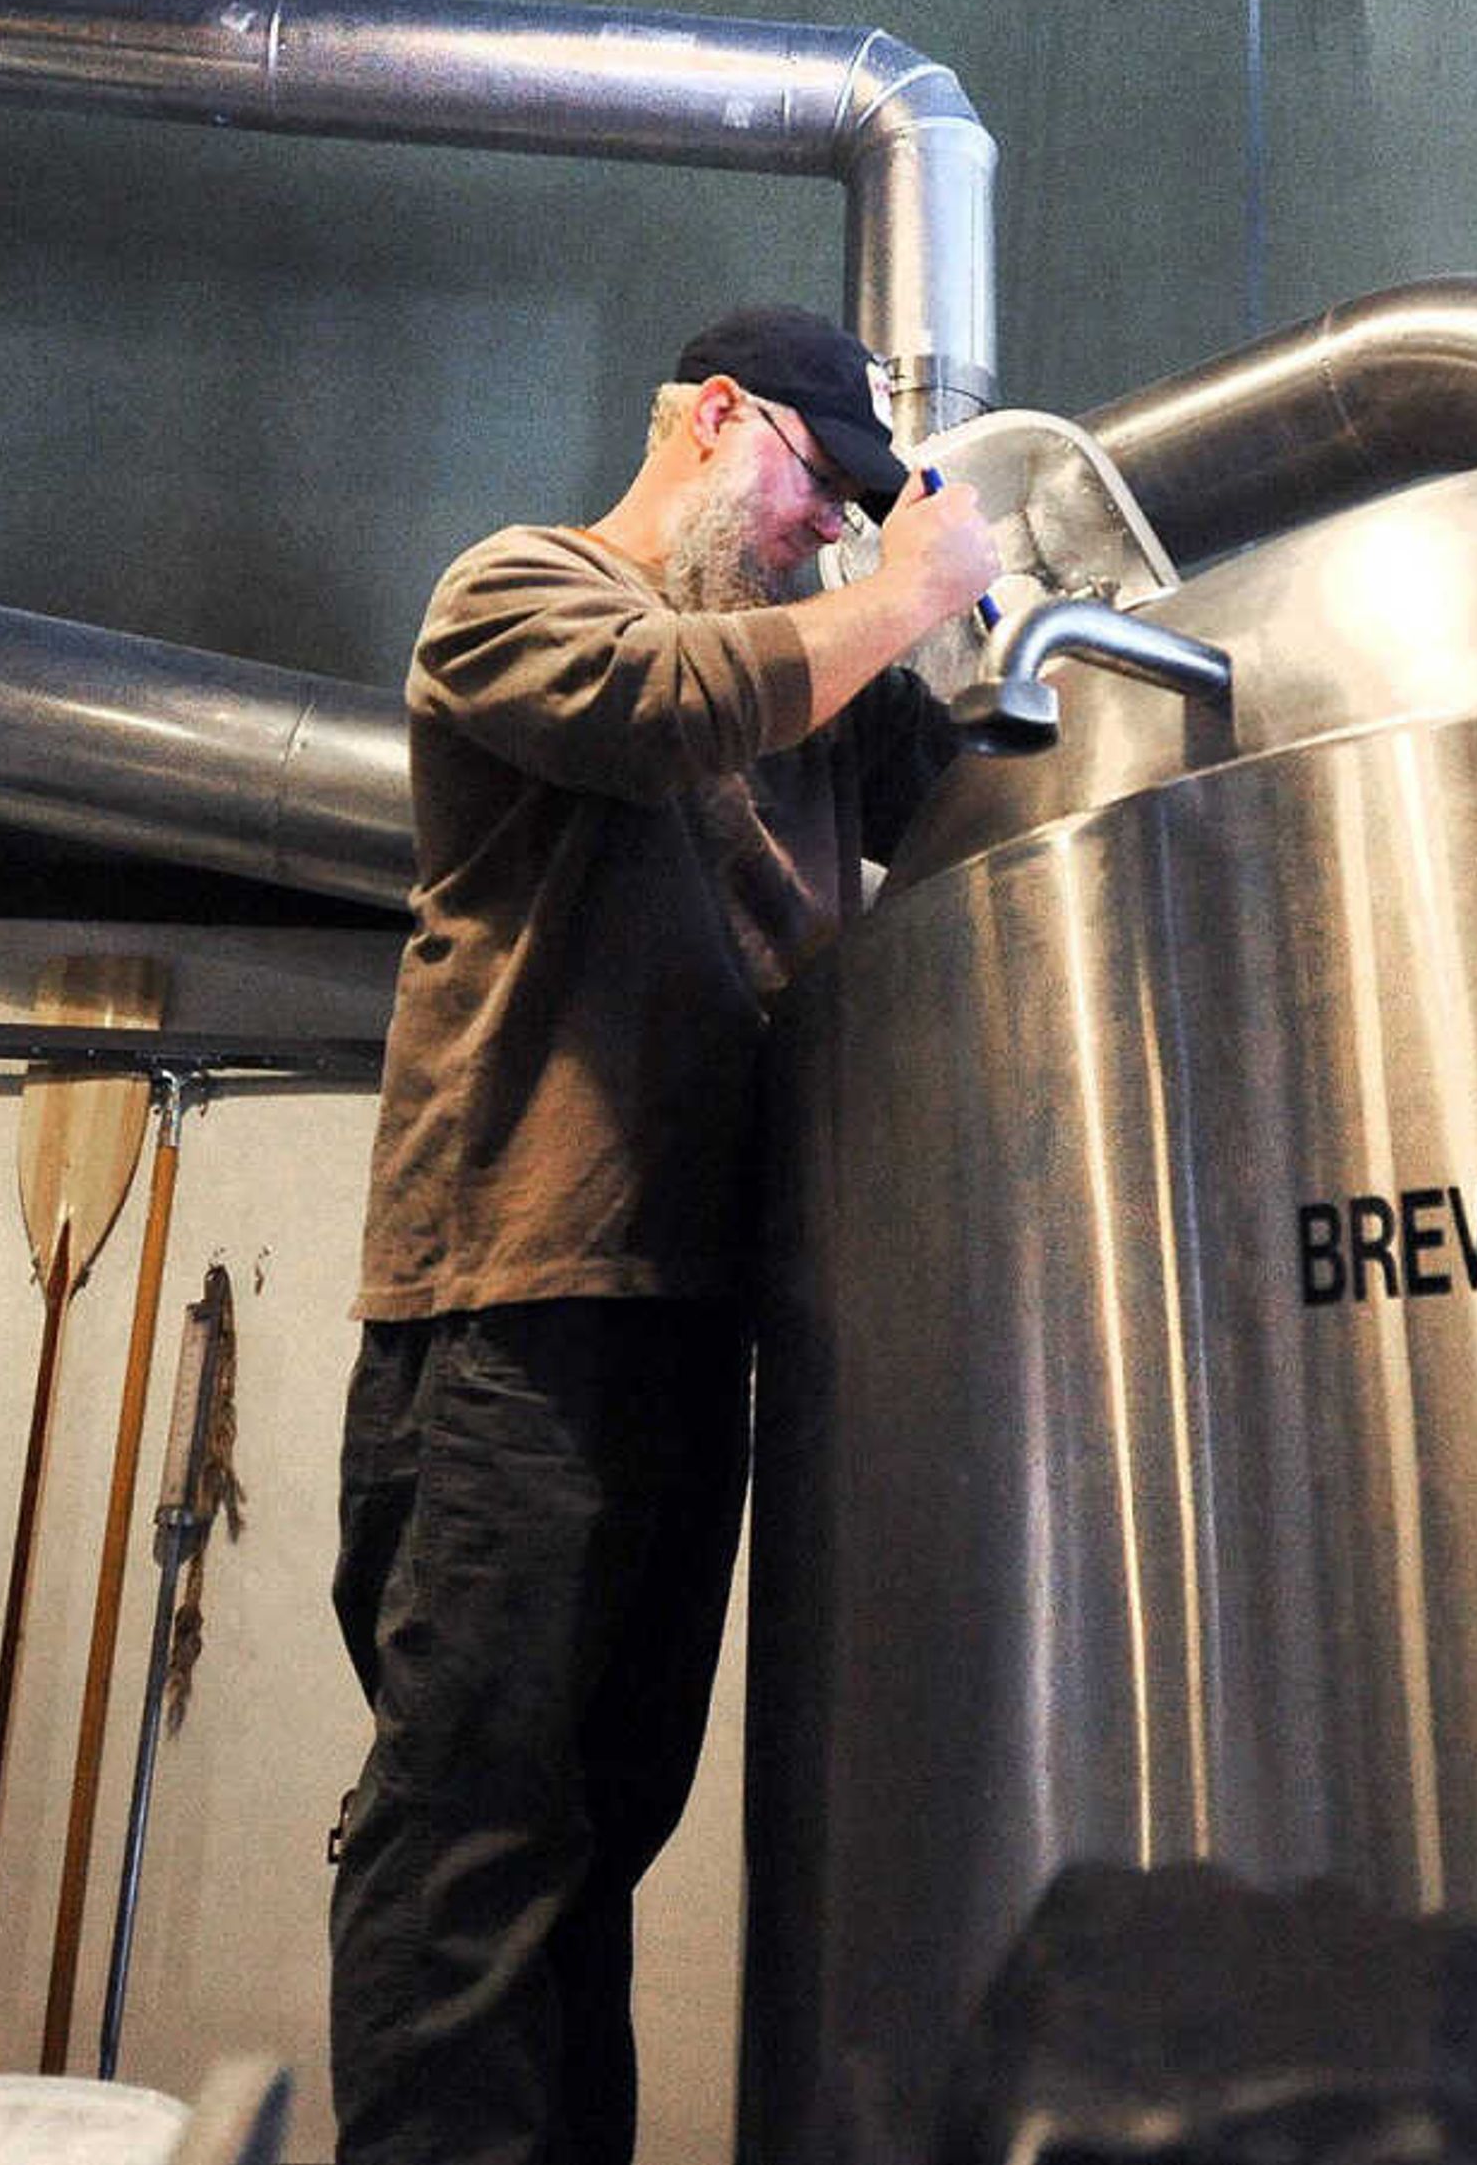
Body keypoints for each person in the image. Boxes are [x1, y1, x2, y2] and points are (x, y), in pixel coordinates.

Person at [330, 306, 1001, 2165]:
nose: (826, 536)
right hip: (515, 1323)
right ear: (717, 418)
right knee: (475, 1840)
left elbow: (993, 808)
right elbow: (658, 712)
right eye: (817, 487)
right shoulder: (519, 592)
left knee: (594, 1851)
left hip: (701, 1332)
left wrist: (992, 622)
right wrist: (912, 588)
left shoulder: (813, 689)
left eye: (859, 518)